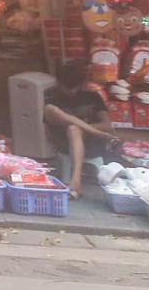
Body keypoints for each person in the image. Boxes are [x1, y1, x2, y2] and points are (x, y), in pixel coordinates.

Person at [43, 61, 112, 198]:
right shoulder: (51, 98)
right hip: (64, 140)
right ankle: (76, 181)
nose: (72, 91)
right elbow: (48, 126)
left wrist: (84, 130)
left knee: (75, 129)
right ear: (58, 83)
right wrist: (89, 129)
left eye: (75, 87)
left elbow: (107, 125)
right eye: (67, 87)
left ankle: (75, 181)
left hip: (91, 142)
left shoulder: (93, 97)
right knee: (52, 111)